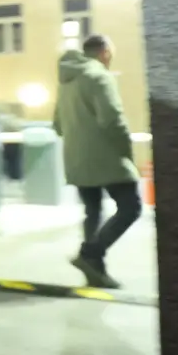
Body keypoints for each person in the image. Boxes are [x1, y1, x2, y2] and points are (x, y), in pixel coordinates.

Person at [55, 33, 141, 288]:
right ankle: (90, 254)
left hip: (77, 159)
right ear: (105, 53)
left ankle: (96, 273)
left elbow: (57, 125)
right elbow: (112, 120)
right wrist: (127, 152)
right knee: (130, 208)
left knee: (92, 211)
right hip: (107, 158)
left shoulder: (66, 81)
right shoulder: (99, 76)